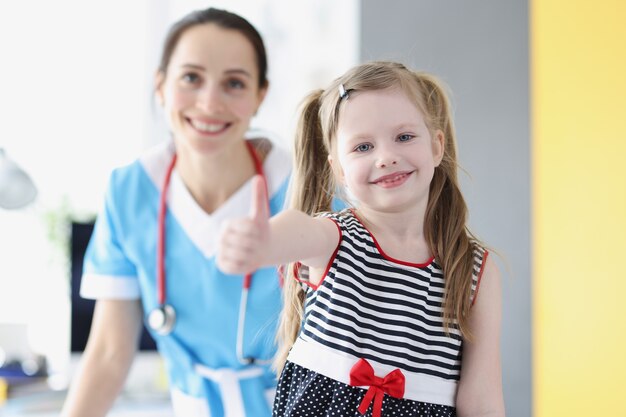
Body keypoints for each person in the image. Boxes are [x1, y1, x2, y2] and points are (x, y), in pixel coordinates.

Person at [217, 61, 505, 417]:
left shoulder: (475, 270)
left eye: (404, 137)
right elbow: (298, 229)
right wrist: (264, 243)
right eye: (363, 147)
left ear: (436, 146)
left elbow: (481, 398)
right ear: (338, 169)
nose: (386, 157)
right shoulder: (336, 238)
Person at [61, 7, 291, 417]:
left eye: (234, 83)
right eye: (191, 78)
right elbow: (110, 353)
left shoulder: (301, 188)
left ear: (260, 95)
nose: (209, 102)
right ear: (161, 85)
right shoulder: (130, 190)